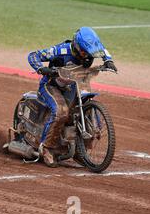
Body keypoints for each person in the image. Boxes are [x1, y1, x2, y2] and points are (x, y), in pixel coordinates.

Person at [28, 27, 117, 167]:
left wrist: (108, 60)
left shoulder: (89, 50)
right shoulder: (60, 50)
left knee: (83, 108)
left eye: (90, 52)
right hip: (51, 86)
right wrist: (41, 68)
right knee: (61, 112)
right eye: (84, 51)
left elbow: (103, 49)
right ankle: (46, 148)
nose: (87, 55)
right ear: (76, 46)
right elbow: (33, 55)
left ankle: (79, 153)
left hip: (72, 85)